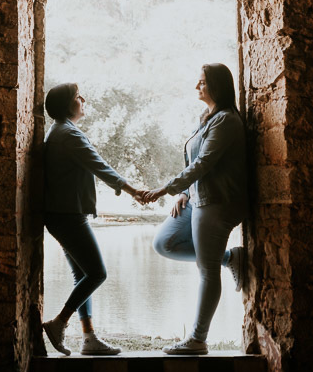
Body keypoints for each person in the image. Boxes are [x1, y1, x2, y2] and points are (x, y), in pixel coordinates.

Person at [142, 63, 247, 355]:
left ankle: (198, 340)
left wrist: (166, 188)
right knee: (164, 242)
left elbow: (205, 163)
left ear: (217, 86)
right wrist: (184, 192)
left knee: (206, 269)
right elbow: (195, 164)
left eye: (202, 82)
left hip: (217, 202)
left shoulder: (226, 120)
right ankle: (231, 258)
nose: (196, 87)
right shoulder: (207, 117)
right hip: (197, 198)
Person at [42, 83, 145, 356]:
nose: (83, 99)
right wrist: (133, 190)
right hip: (68, 215)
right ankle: (59, 323)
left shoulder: (60, 131)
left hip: (62, 214)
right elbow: (99, 165)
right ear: (67, 105)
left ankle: (89, 339)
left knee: (81, 275)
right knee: (97, 273)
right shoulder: (68, 134)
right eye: (78, 97)